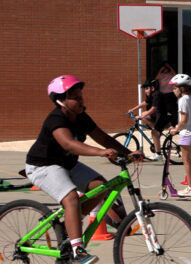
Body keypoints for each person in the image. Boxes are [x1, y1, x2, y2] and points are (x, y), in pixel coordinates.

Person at [25, 75, 139, 264]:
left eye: (81, 96)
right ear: (60, 100)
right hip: (43, 166)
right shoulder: (56, 119)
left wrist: (128, 153)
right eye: (75, 97)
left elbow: (103, 138)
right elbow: (69, 144)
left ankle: (70, 228)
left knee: (100, 186)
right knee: (71, 198)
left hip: (67, 164)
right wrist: (100, 153)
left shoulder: (81, 117)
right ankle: (78, 251)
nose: (80, 100)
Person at [127, 79, 166, 161]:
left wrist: (142, 115)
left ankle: (158, 154)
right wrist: (132, 109)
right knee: (145, 115)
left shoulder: (157, 94)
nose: (145, 90)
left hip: (164, 115)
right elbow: (144, 103)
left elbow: (153, 108)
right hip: (157, 114)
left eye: (147, 88)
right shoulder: (150, 95)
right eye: (145, 89)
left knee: (153, 131)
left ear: (153, 88)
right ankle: (155, 131)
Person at [155, 62, 178, 127]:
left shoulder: (170, 74)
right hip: (162, 94)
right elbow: (156, 78)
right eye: (164, 68)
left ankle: (172, 124)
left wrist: (170, 67)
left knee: (171, 110)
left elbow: (175, 74)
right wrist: (161, 69)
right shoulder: (161, 75)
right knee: (163, 109)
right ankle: (164, 123)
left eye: (166, 68)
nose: (165, 69)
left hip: (170, 93)